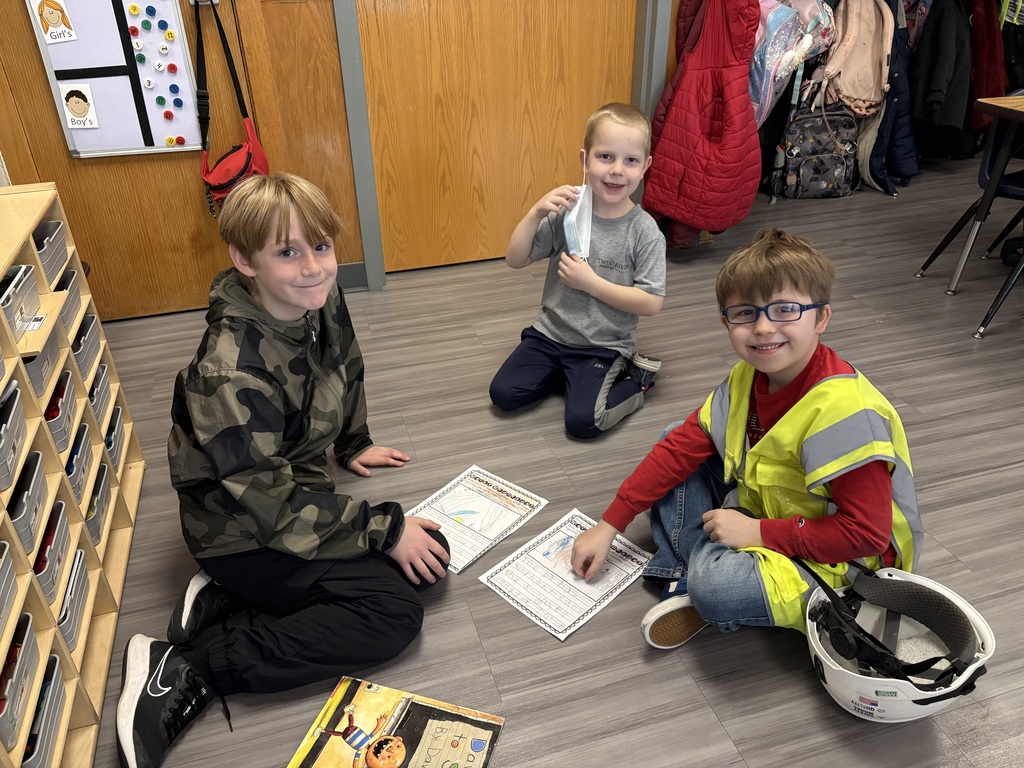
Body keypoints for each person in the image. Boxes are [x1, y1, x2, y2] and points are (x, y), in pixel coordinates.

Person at [116, 173, 450, 768]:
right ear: (243, 259)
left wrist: (353, 443)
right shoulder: (227, 369)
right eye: (287, 252)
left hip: (291, 494)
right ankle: (190, 667)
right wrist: (384, 528)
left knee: (431, 561)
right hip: (241, 529)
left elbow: (344, 362)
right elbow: (269, 506)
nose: (315, 267)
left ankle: (222, 601)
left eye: (321, 246)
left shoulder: (317, 297)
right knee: (393, 615)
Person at [570, 229, 923, 649]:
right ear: (726, 322)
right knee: (677, 446)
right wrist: (609, 525)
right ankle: (696, 567)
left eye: (785, 310)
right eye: (744, 313)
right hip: (771, 509)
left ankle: (692, 576)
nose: (762, 328)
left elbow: (865, 537)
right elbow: (679, 446)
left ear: (821, 318)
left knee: (717, 590)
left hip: (845, 562)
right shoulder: (748, 376)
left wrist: (758, 533)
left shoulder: (845, 414)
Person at [488, 102, 667, 439]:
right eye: (605, 157)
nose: (617, 170)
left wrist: (592, 284)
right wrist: (535, 213)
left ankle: (637, 381)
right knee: (503, 395)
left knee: (584, 422)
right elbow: (515, 259)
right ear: (585, 160)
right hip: (549, 334)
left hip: (602, 345)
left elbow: (651, 302)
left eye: (630, 160)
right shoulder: (569, 213)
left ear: (645, 167)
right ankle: (569, 378)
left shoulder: (644, 232)